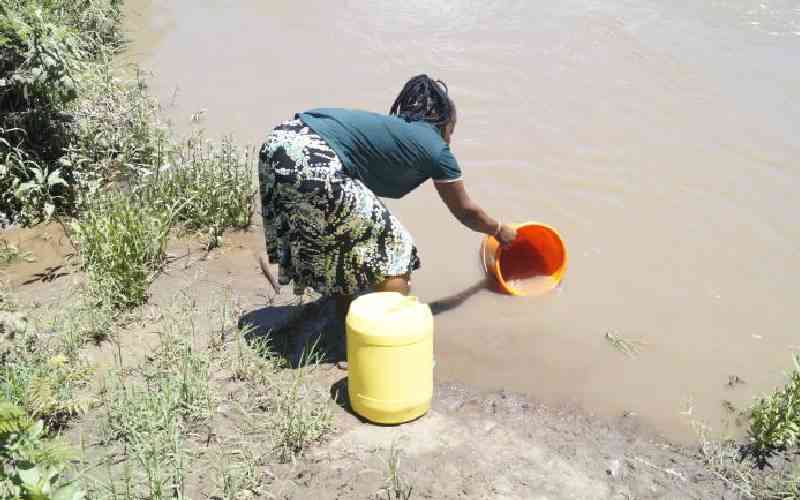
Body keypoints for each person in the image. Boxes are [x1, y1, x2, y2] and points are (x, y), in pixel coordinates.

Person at [257, 74, 517, 365]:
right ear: (445, 124)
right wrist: (499, 229)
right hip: (313, 155)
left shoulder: (392, 132)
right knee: (397, 248)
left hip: (279, 143)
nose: (450, 138)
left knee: (341, 243)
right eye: (451, 131)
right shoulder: (436, 149)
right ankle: (389, 341)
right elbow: (466, 211)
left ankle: (342, 322)